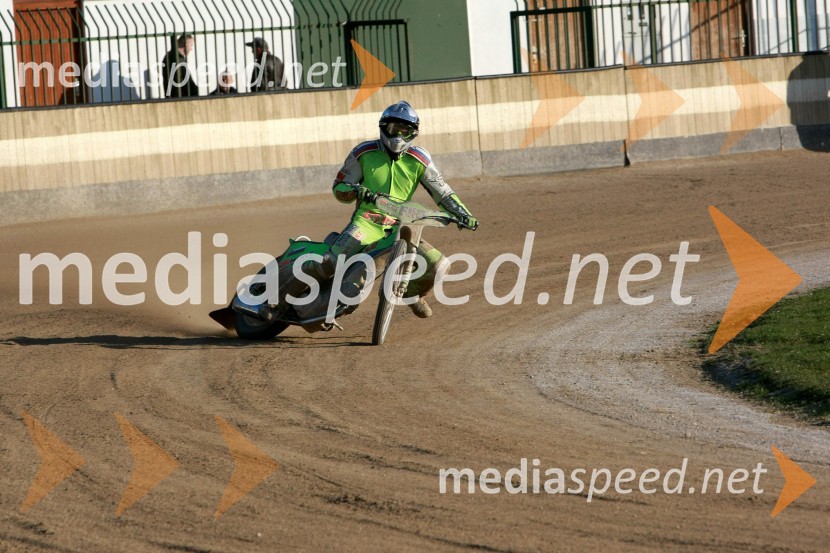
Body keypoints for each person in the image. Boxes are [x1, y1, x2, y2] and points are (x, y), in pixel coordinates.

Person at [277, 101, 478, 319]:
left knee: (439, 265)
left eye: (405, 131)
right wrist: (357, 191)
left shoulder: (420, 159)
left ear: (413, 133)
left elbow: (443, 192)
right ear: (383, 127)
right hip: (366, 222)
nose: (399, 136)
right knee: (331, 262)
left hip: (402, 227)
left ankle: (410, 294)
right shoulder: (364, 152)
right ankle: (276, 299)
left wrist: (463, 214)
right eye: (394, 129)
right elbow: (339, 187)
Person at [161, 34, 199, 98]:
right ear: (185, 44)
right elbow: (182, 79)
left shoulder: (176, 57)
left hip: (179, 96)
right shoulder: (173, 57)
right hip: (179, 97)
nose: (191, 49)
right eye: (191, 45)